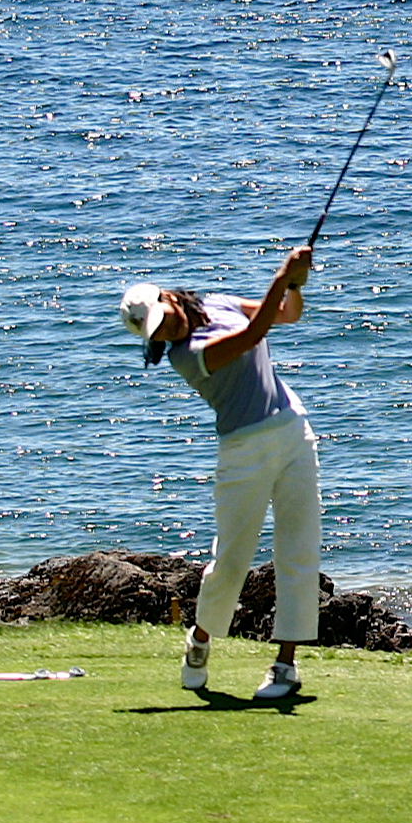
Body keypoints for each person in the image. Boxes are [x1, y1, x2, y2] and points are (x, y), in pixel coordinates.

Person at [119, 244, 319, 700]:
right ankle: (201, 639)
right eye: (157, 331)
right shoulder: (186, 355)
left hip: (293, 431)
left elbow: (286, 315)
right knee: (232, 558)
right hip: (243, 450)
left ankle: (285, 666)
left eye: (164, 317)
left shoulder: (220, 303)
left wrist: (294, 285)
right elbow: (252, 335)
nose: (167, 329)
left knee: (299, 550)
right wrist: (282, 275)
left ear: (169, 297)